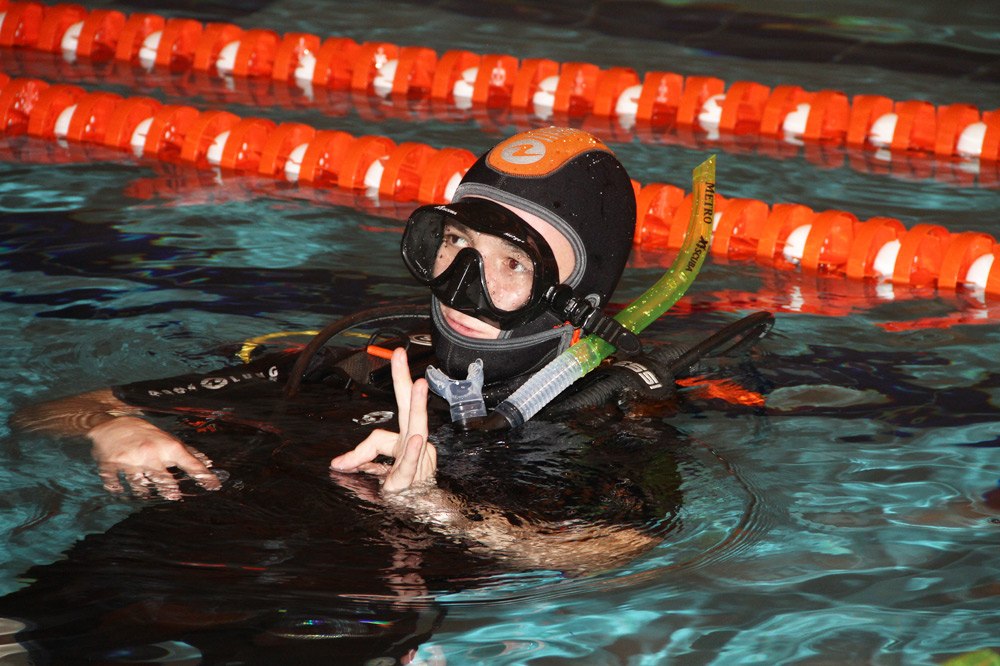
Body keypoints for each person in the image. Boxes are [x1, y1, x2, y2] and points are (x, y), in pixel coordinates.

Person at [5, 126, 770, 662]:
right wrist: (113, 426)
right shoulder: (354, 366)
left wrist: (443, 511)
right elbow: (47, 410)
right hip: (174, 561)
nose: (464, 285)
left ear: (575, 294)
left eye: (512, 262)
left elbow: (621, 552)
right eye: (456, 246)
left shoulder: (615, 414)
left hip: (343, 614)